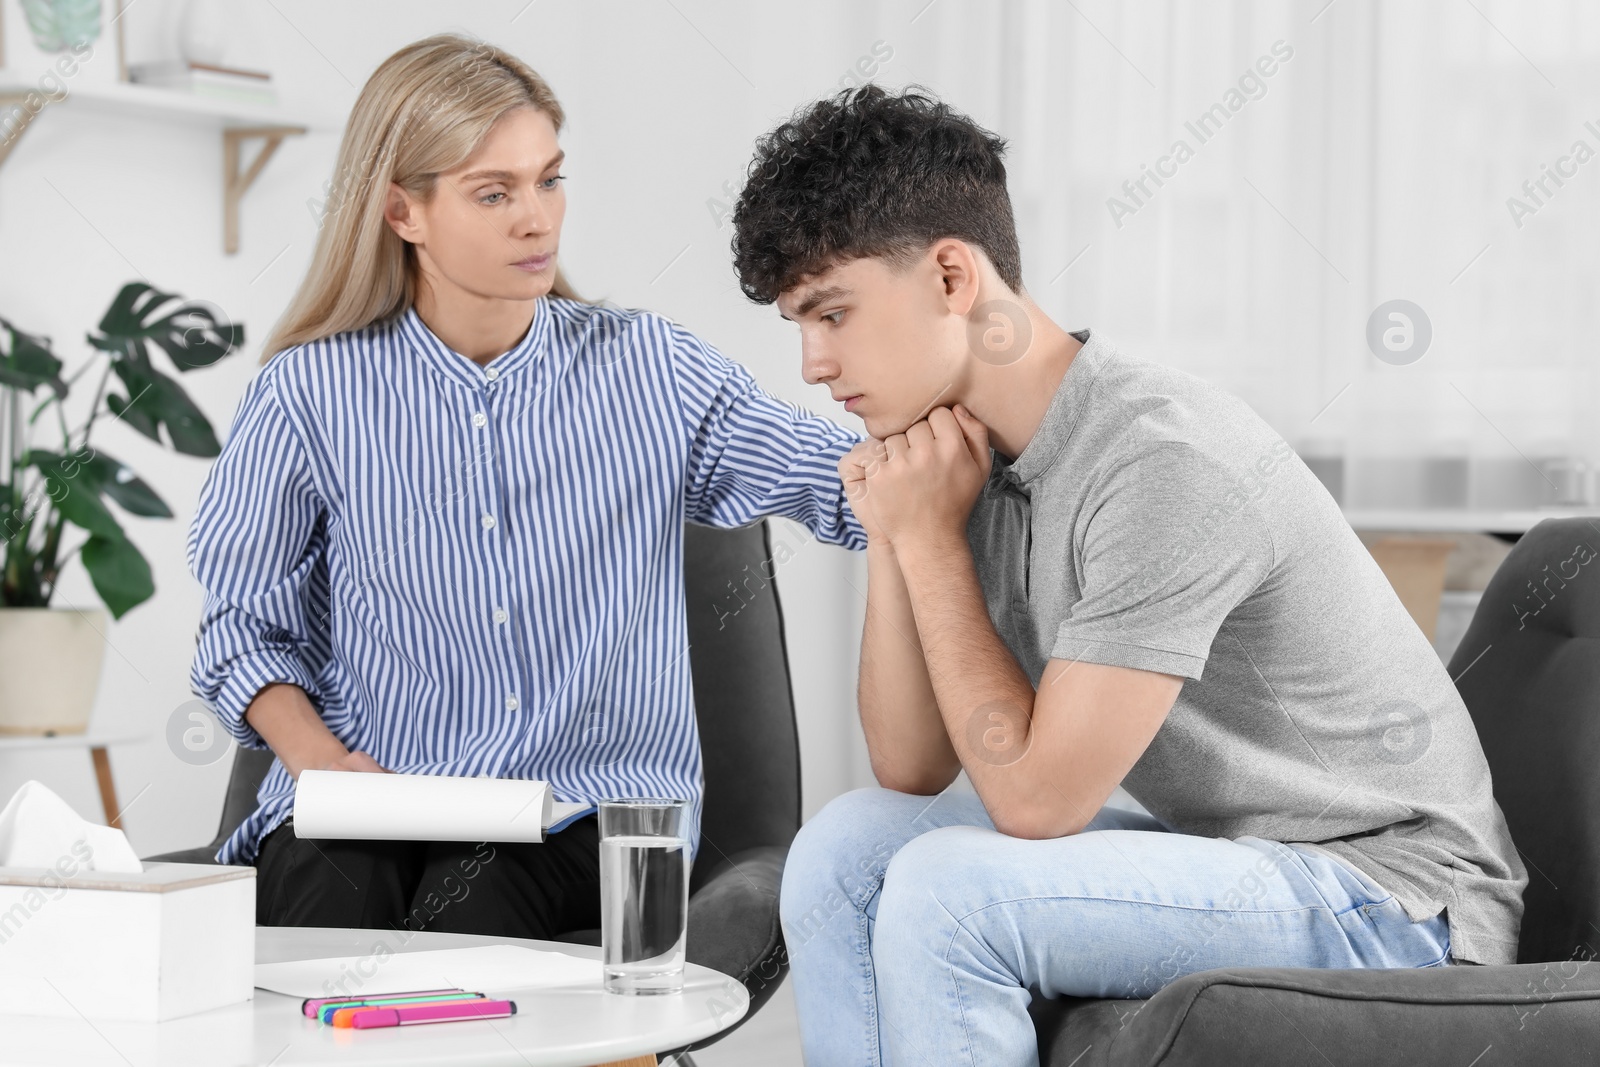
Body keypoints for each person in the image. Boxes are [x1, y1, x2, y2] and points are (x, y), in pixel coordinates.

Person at [729, 84, 1528, 1066]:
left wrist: (930, 542)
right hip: (1243, 854)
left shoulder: (1161, 461)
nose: (812, 363)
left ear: (949, 276)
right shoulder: (960, 455)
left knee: (946, 892)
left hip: (1391, 891)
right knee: (847, 847)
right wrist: (899, 530)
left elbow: (1034, 803)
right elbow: (910, 766)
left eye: (832, 312)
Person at [185, 33, 864, 938]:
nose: (538, 218)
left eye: (549, 179)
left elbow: (845, 485)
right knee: (315, 931)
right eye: (494, 193)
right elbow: (240, 626)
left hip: (582, 810)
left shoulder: (648, 370)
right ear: (402, 211)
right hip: (369, 794)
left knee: (455, 931)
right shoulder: (309, 393)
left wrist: (990, 430)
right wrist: (320, 765)